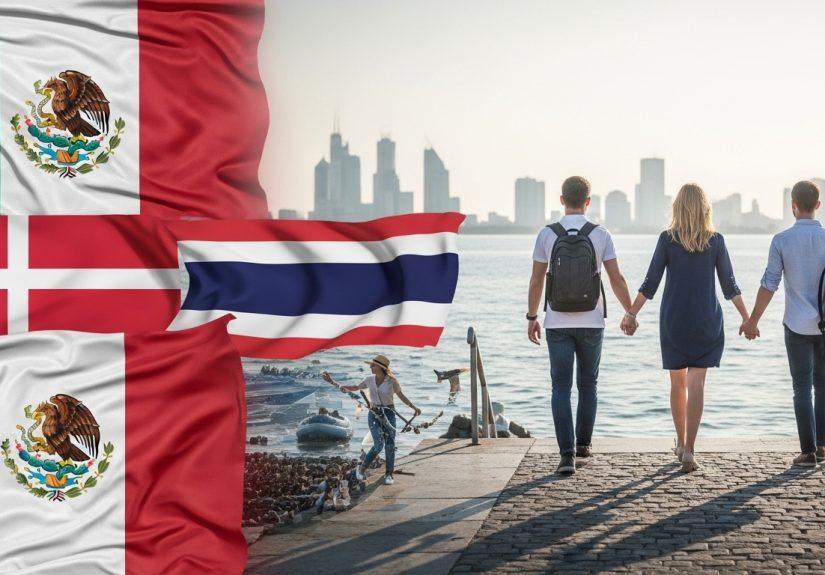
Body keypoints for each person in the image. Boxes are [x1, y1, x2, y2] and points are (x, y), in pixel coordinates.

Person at [622, 183, 749, 472]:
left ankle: (680, 443)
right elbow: (730, 286)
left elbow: (650, 283)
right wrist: (747, 318)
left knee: (678, 384)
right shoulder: (715, 240)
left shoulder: (667, 240)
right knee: (697, 384)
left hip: (674, 321)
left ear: (677, 207)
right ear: (706, 208)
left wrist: (631, 312)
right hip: (706, 320)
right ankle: (690, 449)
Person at [527, 176, 634, 475]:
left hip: (556, 323)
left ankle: (566, 455)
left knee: (560, 386)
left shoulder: (547, 234)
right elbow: (616, 279)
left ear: (561, 200)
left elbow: (536, 280)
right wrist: (631, 311)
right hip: (592, 322)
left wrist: (531, 316)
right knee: (588, 384)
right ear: (588, 201)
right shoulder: (601, 234)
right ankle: (584, 444)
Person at [741, 180, 825, 467]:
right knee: (823, 385)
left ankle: (809, 451)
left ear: (793, 206)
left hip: (797, 325)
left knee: (802, 386)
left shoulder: (781, 241)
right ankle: (823, 445)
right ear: (817, 205)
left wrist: (752, 321)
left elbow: (769, 285)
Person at [322, 355, 421, 485]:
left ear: (381, 367)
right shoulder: (369, 380)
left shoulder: (392, 381)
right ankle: (362, 468)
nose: (370, 367)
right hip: (374, 413)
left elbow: (401, 396)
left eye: (373, 365)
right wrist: (333, 382)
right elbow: (354, 388)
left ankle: (389, 474)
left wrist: (413, 407)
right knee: (379, 444)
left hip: (389, 413)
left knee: (390, 445)